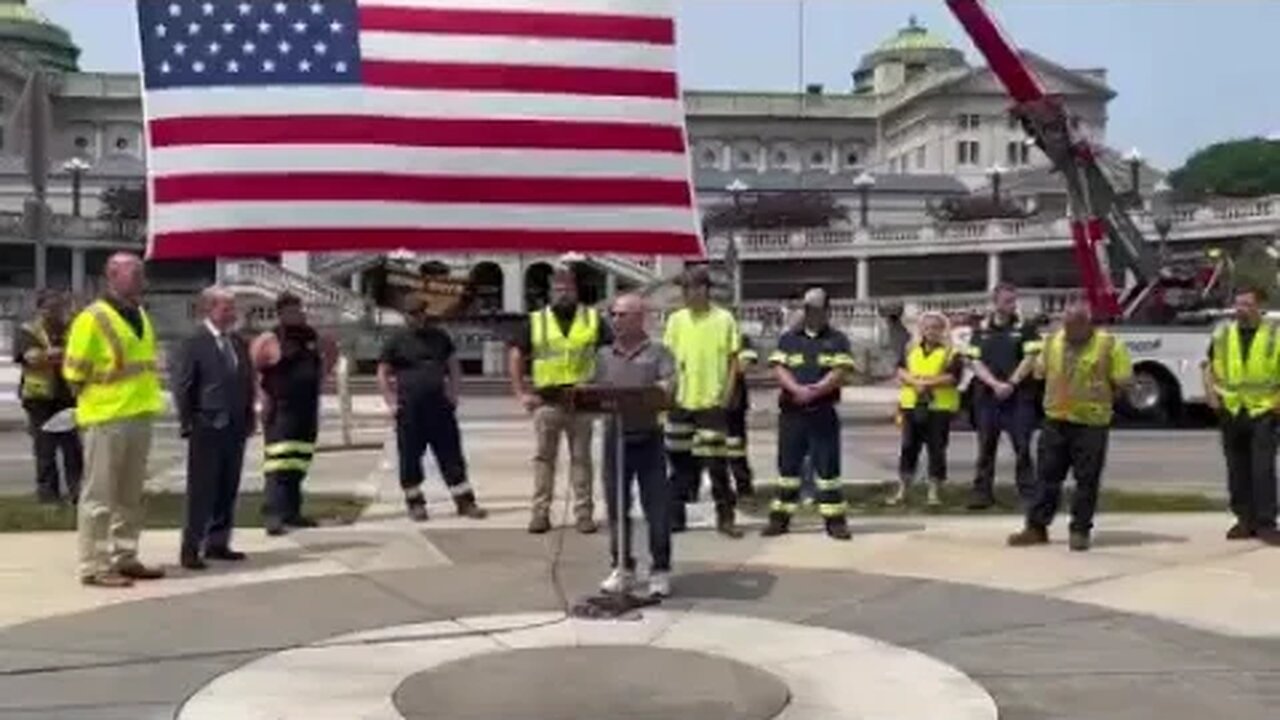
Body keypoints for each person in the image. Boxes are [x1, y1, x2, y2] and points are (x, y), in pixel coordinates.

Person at [62, 253, 166, 587]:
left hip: (138, 414)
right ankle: (94, 565)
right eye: (133, 273)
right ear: (112, 276)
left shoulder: (139, 314)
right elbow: (73, 374)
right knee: (99, 497)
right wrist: (95, 401)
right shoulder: (92, 318)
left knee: (130, 496)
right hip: (106, 418)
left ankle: (125, 556)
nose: (140, 278)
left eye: (141, 272)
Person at [1007, 299, 1132, 552]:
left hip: (1091, 423)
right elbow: (1040, 373)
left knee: (1087, 480)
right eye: (1066, 324)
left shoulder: (1109, 344)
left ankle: (1080, 530)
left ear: (1088, 323)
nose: (1070, 330)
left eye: (1075, 325)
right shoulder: (1053, 342)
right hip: (1056, 421)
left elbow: (1123, 382)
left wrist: (1103, 397)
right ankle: (1036, 527)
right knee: (1046, 477)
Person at [508, 265, 612, 534]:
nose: (563, 293)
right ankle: (540, 513)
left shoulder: (592, 319)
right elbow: (517, 355)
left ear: (576, 290)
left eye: (568, 288)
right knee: (544, 460)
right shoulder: (536, 320)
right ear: (550, 292)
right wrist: (521, 392)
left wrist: (602, 387)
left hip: (582, 401)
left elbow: (609, 354)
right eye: (558, 289)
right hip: (547, 401)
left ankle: (584, 514)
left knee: (582, 460)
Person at [378, 295, 488, 522]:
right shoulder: (396, 341)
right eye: (413, 314)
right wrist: (390, 401)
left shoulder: (439, 337)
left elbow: (453, 366)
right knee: (409, 457)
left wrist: (454, 393)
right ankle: (415, 503)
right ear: (405, 316)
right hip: (409, 409)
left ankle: (465, 502)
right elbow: (383, 371)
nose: (418, 317)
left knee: (451, 455)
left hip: (439, 406)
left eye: (420, 313)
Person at [594, 294, 676, 598]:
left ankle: (660, 569)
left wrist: (651, 393)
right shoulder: (603, 355)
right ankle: (622, 567)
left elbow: (668, 387)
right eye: (612, 314)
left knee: (657, 508)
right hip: (615, 438)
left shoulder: (659, 353)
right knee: (617, 507)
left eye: (621, 315)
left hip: (648, 438)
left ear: (640, 317)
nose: (614, 320)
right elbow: (592, 387)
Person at [172, 287, 255, 570]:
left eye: (233, 308)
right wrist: (188, 422)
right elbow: (184, 386)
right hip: (206, 425)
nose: (232, 313)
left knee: (227, 485)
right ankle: (191, 547)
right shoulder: (195, 342)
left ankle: (218, 542)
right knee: (202, 489)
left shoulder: (238, 343)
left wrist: (249, 415)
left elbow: (246, 382)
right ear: (209, 309)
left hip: (235, 425)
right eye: (226, 308)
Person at [763, 287, 854, 540]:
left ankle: (835, 522)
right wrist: (795, 389)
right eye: (807, 310)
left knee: (827, 470)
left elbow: (840, 372)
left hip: (821, 411)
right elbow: (779, 368)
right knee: (788, 469)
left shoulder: (837, 339)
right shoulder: (789, 338)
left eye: (816, 310)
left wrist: (817, 390)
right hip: (792, 413)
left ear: (827, 311)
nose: (811, 315)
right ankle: (779, 519)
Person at [663, 267, 743, 538]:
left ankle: (726, 517)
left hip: (711, 403)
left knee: (716, 464)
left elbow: (734, 360)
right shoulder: (676, 320)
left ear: (704, 289)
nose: (686, 294)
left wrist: (727, 395)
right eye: (683, 289)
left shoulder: (724, 319)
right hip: (681, 402)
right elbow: (668, 360)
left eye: (691, 288)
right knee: (679, 463)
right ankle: (675, 517)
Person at [250, 293, 337, 536]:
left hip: (306, 409)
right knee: (279, 463)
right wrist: (260, 398)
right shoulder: (270, 339)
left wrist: (321, 377)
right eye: (291, 310)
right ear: (281, 313)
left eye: (298, 309)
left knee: (299, 462)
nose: (297, 314)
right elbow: (252, 368)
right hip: (281, 409)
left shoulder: (311, 335)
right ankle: (273, 515)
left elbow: (331, 352)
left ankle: (292, 512)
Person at [1202, 287, 1280, 545]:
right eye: (1238, 305)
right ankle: (1244, 520)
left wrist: (1276, 404)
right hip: (1232, 410)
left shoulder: (1274, 335)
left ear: (1259, 307)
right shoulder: (1224, 334)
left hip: (1263, 411)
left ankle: (1267, 523)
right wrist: (1211, 395)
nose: (1241, 309)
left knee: (1262, 469)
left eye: (1247, 305)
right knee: (1237, 469)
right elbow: (1209, 366)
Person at [965, 283, 1042, 510]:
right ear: (995, 302)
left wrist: (1011, 383)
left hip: (1018, 398)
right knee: (986, 447)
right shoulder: (981, 329)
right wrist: (994, 384)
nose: (1012, 304)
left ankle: (1028, 494)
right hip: (987, 398)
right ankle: (982, 494)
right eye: (1007, 300)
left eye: (1013, 300)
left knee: (1022, 447)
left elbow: (1030, 359)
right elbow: (973, 361)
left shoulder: (1026, 328)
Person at [14, 289, 82, 504]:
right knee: (45, 450)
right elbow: (31, 358)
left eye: (59, 306)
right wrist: (61, 354)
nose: (55, 311)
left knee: (73, 449)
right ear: (40, 309)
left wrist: (56, 355)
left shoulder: (71, 330)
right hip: (39, 399)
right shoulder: (28, 331)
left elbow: (81, 355)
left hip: (67, 397)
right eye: (50, 307)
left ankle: (77, 492)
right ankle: (48, 496)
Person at [893, 312, 964, 507]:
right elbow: (900, 370)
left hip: (938, 407)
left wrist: (927, 384)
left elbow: (953, 377)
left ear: (943, 330)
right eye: (927, 327)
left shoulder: (951, 351)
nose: (931, 331)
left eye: (935, 327)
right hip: (912, 405)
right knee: (908, 448)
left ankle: (934, 493)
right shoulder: (910, 348)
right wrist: (915, 382)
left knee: (937, 450)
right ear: (921, 329)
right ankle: (903, 490)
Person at [725, 333, 757, 499]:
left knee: (735, 447)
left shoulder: (738, 335)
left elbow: (744, 365)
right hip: (703, 399)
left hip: (733, 402)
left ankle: (743, 485)